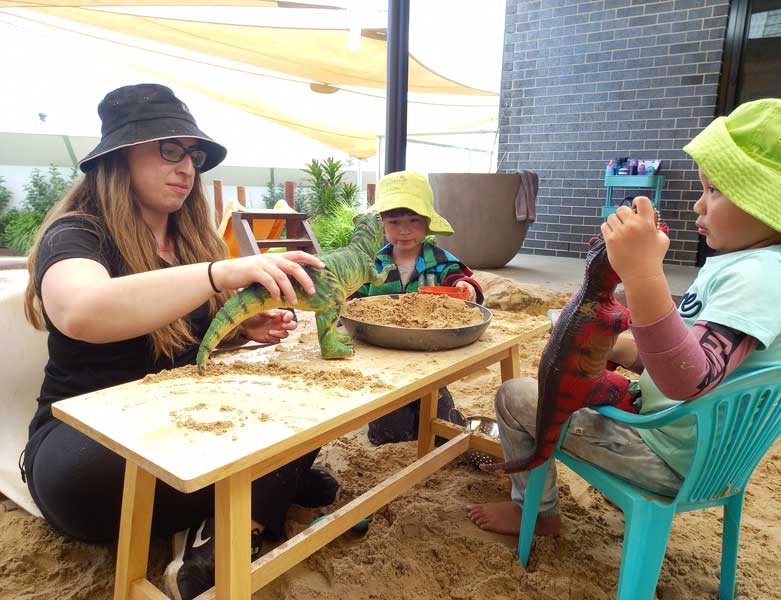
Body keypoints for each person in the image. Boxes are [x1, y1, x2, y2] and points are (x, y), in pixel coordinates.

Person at [20, 83, 340, 600]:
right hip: (88, 445)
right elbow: (80, 311)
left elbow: (179, 343)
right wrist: (218, 273)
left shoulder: (189, 239)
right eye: (169, 150)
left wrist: (241, 331)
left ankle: (226, 535)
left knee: (313, 402)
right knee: (264, 447)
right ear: (119, 157)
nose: (187, 167)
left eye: (192, 155)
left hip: (180, 421)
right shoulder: (78, 234)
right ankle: (260, 498)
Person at [467, 97, 781, 539]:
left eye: (715, 190)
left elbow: (688, 379)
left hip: (668, 455)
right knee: (567, 374)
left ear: (767, 201)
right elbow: (691, 353)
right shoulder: (761, 268)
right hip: (688, 437)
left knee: (517, 397)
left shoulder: (762, 276)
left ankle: (538, 511)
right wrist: (623, 349)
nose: (699, 206)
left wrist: (643, 274)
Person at [350, 170, 484, 445]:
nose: (404, 230)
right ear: (382, 225)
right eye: (394, 221)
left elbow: (462, 283)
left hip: (430, 358)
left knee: (442, 426)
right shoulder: (371, 264)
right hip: (383, 362)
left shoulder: (441, 261)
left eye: (413, 220)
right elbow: (355, 299)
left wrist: (467, 289)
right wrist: (345, 304)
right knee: (390, 433)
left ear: (426, 222)